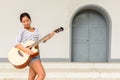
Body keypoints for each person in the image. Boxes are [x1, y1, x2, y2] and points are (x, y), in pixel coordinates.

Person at [14, 12, 55, 80]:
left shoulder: (36, 30)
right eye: (23, 21)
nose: (26, 23)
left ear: (30, 20)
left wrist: (50, 36)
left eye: (27, 20)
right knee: (42, 74)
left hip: (37, 55)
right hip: (30, 57)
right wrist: (26, 50)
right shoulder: (22, 31)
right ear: (21, 22)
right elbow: (16, 43)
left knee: (32, 76)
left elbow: (42, 40)